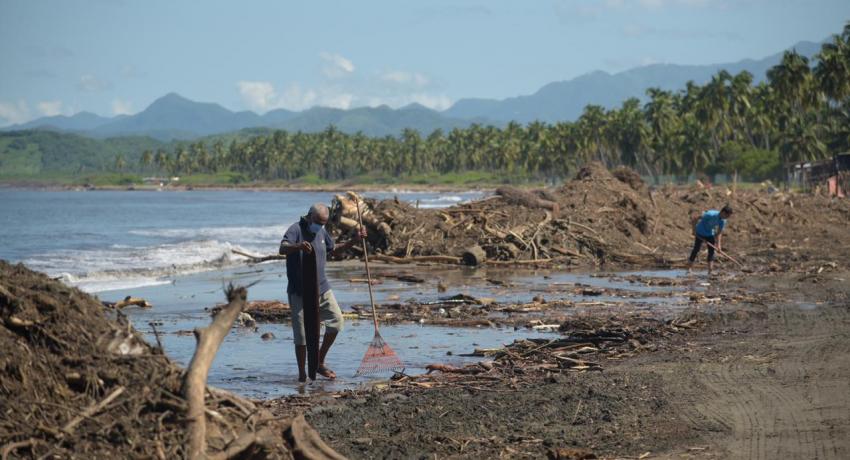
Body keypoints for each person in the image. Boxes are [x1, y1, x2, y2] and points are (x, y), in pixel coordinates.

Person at [279, 203, 366, 382]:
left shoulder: (322, 231)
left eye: (323, 223)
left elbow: (332, 249)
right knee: (302, 337)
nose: (320, 226)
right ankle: (302, 375)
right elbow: (283, 248)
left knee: (337, 322)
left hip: (322, 288)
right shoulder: (296, 229)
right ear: (310, 216)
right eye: (318, 222)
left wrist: (354, 241)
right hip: (300, 292)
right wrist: (298, 247)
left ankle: (318, 362)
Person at [688, 205, 733, 276]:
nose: (727, 218)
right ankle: (689, 269)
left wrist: (719, 245)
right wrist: (694, 230)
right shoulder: (710, 214)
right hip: (700, 232)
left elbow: (719, 233)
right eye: (727, 216)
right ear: (723, 212)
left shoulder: (723, 221)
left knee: (711, 251)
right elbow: (695, 218)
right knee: (696, 249)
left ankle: (710, 271)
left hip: (709, 234)